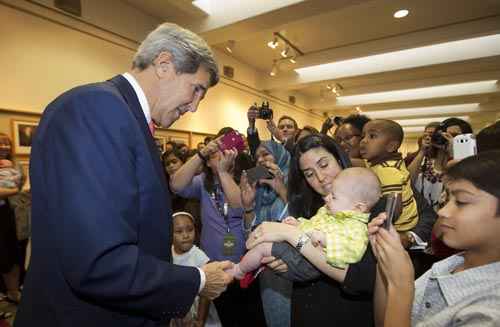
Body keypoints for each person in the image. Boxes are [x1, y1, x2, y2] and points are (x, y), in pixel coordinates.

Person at [15, 23, 233, 327]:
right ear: (164, 65)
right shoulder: (97, 108)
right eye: (196, 89)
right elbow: (98, 262)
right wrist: (195, 280)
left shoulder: (123, 116)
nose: (195, 106)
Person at [246, 133, 379, 326]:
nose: (320, 177)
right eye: (309, 174)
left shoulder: (366, 205)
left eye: (324, 165)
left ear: (340, 159)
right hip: (305, 310)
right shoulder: (308, 207)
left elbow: (362, 278)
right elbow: (303, 262)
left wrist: (292, 236)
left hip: (345, 314)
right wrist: (287, 264)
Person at [369, 151, 500, 326]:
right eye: (447, 200)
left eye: (461, 202)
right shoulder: (452, 264)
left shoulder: (490, 312)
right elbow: (384, 320)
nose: (442, 212)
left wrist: (401, 287)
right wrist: (385, 259)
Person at [170, 128, 265, 327]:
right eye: (212, 155)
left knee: (250, 316)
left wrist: (223, 171)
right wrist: (200, 154)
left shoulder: (250, 175)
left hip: (246, 264)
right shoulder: (204, 181)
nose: (215, 158)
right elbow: (176, 186)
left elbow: (239, 204)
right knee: (225, 317)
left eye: (219, 153)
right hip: (213, 264)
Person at [231, 167, 381, 281]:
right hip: (304, 254)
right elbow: (312, 226)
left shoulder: (357, 228)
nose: (327, 198)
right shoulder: (331, 212)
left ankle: (238, 271)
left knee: (264, 247)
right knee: (263, 235)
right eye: (309, 173)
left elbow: (353, 252)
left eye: (334, 197)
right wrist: (299, 224)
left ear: (358, 207)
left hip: (311, 264)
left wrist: (325, 239)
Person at [240, 139, 291, 327]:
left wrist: (282, 189)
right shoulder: (260, 192)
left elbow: (302, 224)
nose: (261, 160)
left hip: (292, 270)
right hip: (267, 274)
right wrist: (247, 207)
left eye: (266, 154)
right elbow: (249, 237)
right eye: (257, 157)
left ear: (280, 155)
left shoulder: (298, 182)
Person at [360, 119, 419, 232]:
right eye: (363, 136)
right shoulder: (386, 162)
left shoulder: (387, 170)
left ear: (391, 146)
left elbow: (394, 208)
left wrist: (380, 229)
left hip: (399, 227)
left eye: (372, 136)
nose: (364, 141)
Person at [170, 212, 221, 327]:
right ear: (170, 234)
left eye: (190, 230)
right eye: (179, 231)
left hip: (199, 311)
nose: (185, 235)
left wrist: (200, 319)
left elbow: (206, 293)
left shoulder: (199, 256)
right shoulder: (168, 254)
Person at [0, 133, 23, 305]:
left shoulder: (15, 165)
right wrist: (15, 191)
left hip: (8, 213)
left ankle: (13, 291)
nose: (4, 147)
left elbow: (22, 183)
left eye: (7, 143)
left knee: (12, 252)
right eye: (0, 144)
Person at [407, 122, 447, 211]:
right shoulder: (416, 158)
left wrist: (448, 150)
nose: (434, 138)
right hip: (420, 213)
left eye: (435, 135)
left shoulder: (453, 159)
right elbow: (408, 181)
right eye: (429, 134)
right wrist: (422, 151)